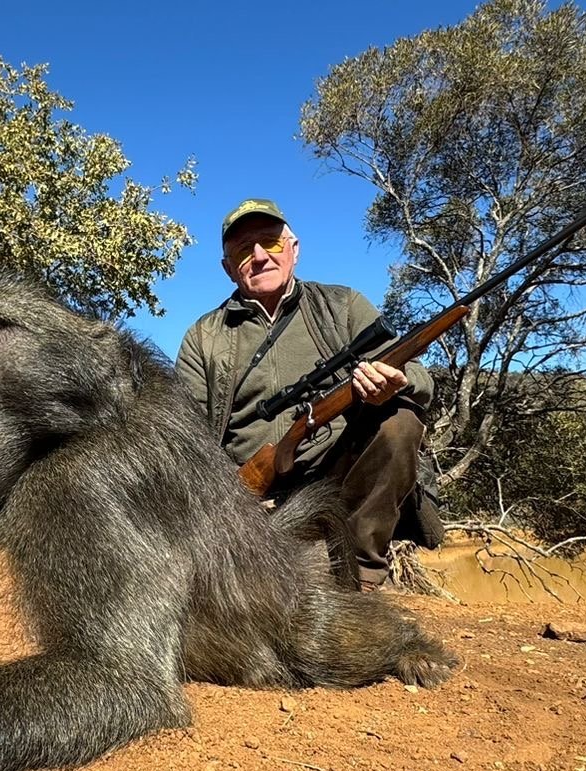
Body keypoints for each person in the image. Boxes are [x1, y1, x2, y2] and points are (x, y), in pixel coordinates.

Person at [176, 199, 436, 589]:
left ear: (294, 250)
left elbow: (420, 376)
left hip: (340, 479)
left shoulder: (343, 306)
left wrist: (396, 382)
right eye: (244, 249)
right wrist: (228, 490)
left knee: (400, 421)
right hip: (245, 493)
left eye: (271, 243)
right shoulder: (203, 336)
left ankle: (361, 577)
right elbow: (183, 435)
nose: (260, 257)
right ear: (229, 269)